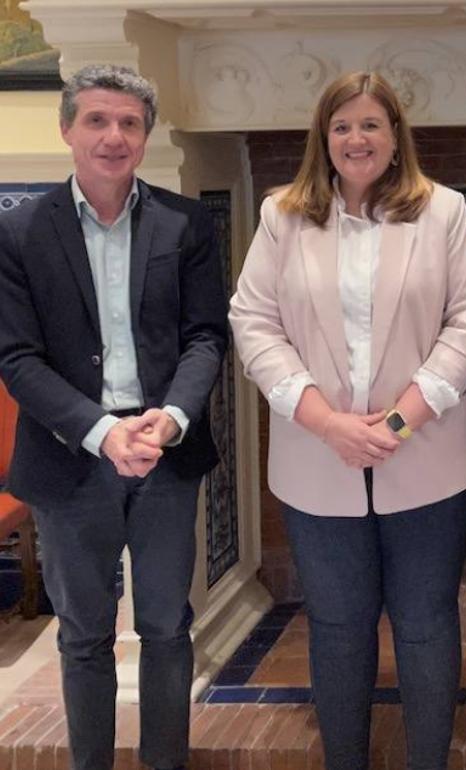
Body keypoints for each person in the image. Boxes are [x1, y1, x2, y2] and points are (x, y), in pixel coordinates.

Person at [229, 71, 466, 770]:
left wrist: (399, 423)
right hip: (317, 463)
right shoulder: (281, 216)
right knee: (340, 627)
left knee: (425, 624)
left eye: (372, 124)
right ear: (324, 137)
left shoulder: (443, 212)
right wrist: (329, 424)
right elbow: (252, 323)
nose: (357, 138)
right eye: (343, 125)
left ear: (396, 136)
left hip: (432, 459)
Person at [0, 65, 228, 770]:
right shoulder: (17, 232)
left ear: (146, 135)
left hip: (163, 452)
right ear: (67, 128)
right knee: (84, 634)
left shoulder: (185, 222)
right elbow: (16, 356)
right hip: (72, 460)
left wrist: (173, 417)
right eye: (97, 120)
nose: (113, 136)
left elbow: (205, 336)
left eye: (129, 122)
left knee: (166, 626)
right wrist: (100, 432)